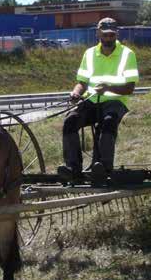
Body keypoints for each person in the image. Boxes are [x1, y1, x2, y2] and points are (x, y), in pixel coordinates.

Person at [58, 18, 139, 182]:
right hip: (92, 100)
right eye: (105, 35)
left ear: (116, 34)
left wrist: (108, 88)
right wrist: (75, 93)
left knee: (108, 122)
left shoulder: (127, 54)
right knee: (70, 121)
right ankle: (73, 169)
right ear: (98, 34)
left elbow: (129, 88)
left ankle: (102, 167)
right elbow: (82, 82)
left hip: (116, 102)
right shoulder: (89, 54)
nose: (108, 38)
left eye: (111, 35)